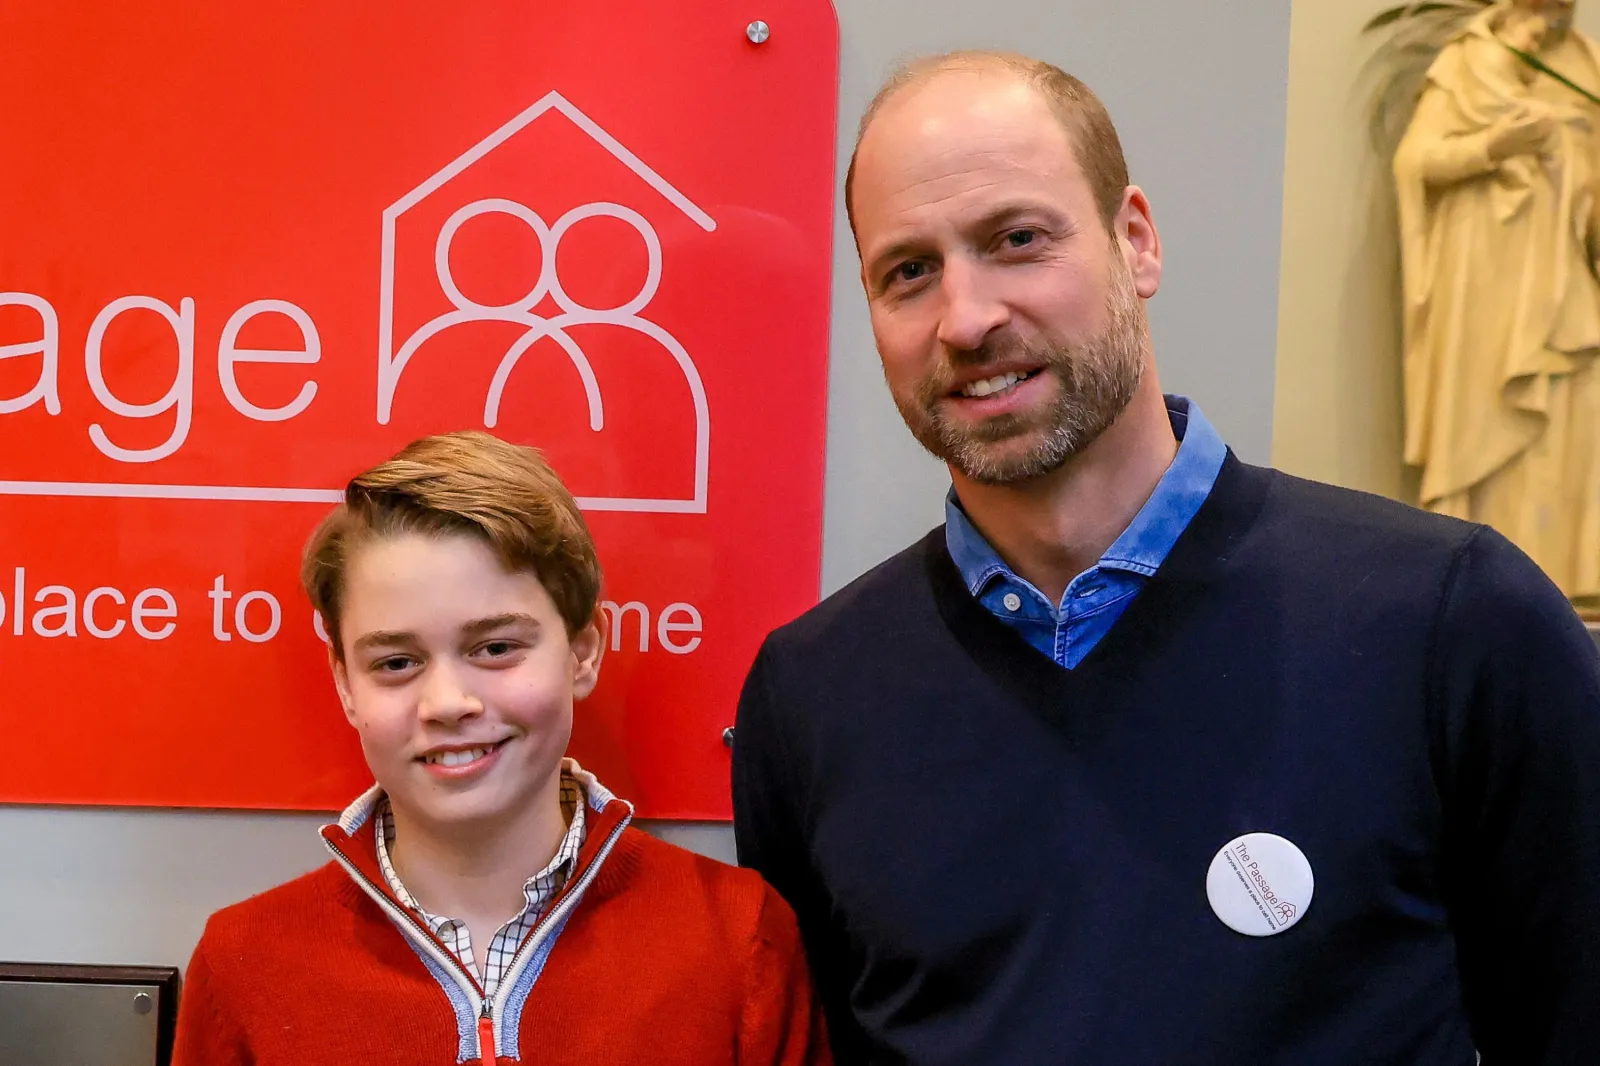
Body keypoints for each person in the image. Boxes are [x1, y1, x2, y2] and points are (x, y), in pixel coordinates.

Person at [732, 50, 1600, 1064]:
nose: (965, 319)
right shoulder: (811, 697)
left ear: (1134, 241)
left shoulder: (1451, 621)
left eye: (1016, 239)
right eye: (908, 271)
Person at [174, 432, 828, 1065]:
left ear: (582, 650)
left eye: (495, 648)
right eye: (397, 662)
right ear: (346, 684)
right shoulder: (246, 968)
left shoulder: (737, 937)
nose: (448, 702)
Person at [1394, 0, 1600, 602]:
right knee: (1484, 418)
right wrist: (1496, 144)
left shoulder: (1583, 67)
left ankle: (1567, 575)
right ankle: (1485, 583)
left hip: (1563, 276)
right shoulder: (1467, 61)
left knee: (1571, 411)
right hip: (1484, 275)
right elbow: (1417, 161)